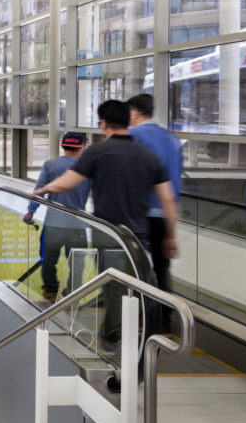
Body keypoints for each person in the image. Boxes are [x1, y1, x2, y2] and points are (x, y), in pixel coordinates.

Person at [32, 100, 179, 344]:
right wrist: (170, 236)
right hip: (138, 234)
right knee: (138, 281)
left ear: (103, 123)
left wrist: (43, 189)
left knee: (112, 284)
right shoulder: (148, 155)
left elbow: (66, 183)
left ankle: (113, 335)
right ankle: (143, 331)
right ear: (127, 121)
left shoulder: (97, 152)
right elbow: (168, 200)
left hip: (107, 232)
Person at [127, 93, 183, 326]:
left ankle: (140, 316)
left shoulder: (131, 136)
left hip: (138, 214)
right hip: (165, 214)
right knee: (162, 268)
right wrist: (172, 233)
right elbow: (172, 189)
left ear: (136, 112)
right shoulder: (172, 139)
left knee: (135, 267)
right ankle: (165, 320)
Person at [24, 132, 91, 302]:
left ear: (62, 145)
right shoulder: (87, 168)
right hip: (78, 225)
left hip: (53, 224)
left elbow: (40, 190)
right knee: (77, 263)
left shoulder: (51, 165)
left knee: (48, 260)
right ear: (81, 147)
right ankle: (72, 294)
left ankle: (51, 293)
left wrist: (31, 211)